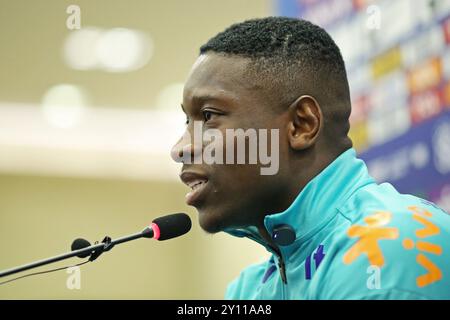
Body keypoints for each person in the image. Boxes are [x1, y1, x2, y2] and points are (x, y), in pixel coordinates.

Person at [170, 16, 450, 299]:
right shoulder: (249, 290)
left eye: (208, 116)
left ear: (301, 125)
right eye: (187, 122)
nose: (180, 148)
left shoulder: (391, 251)